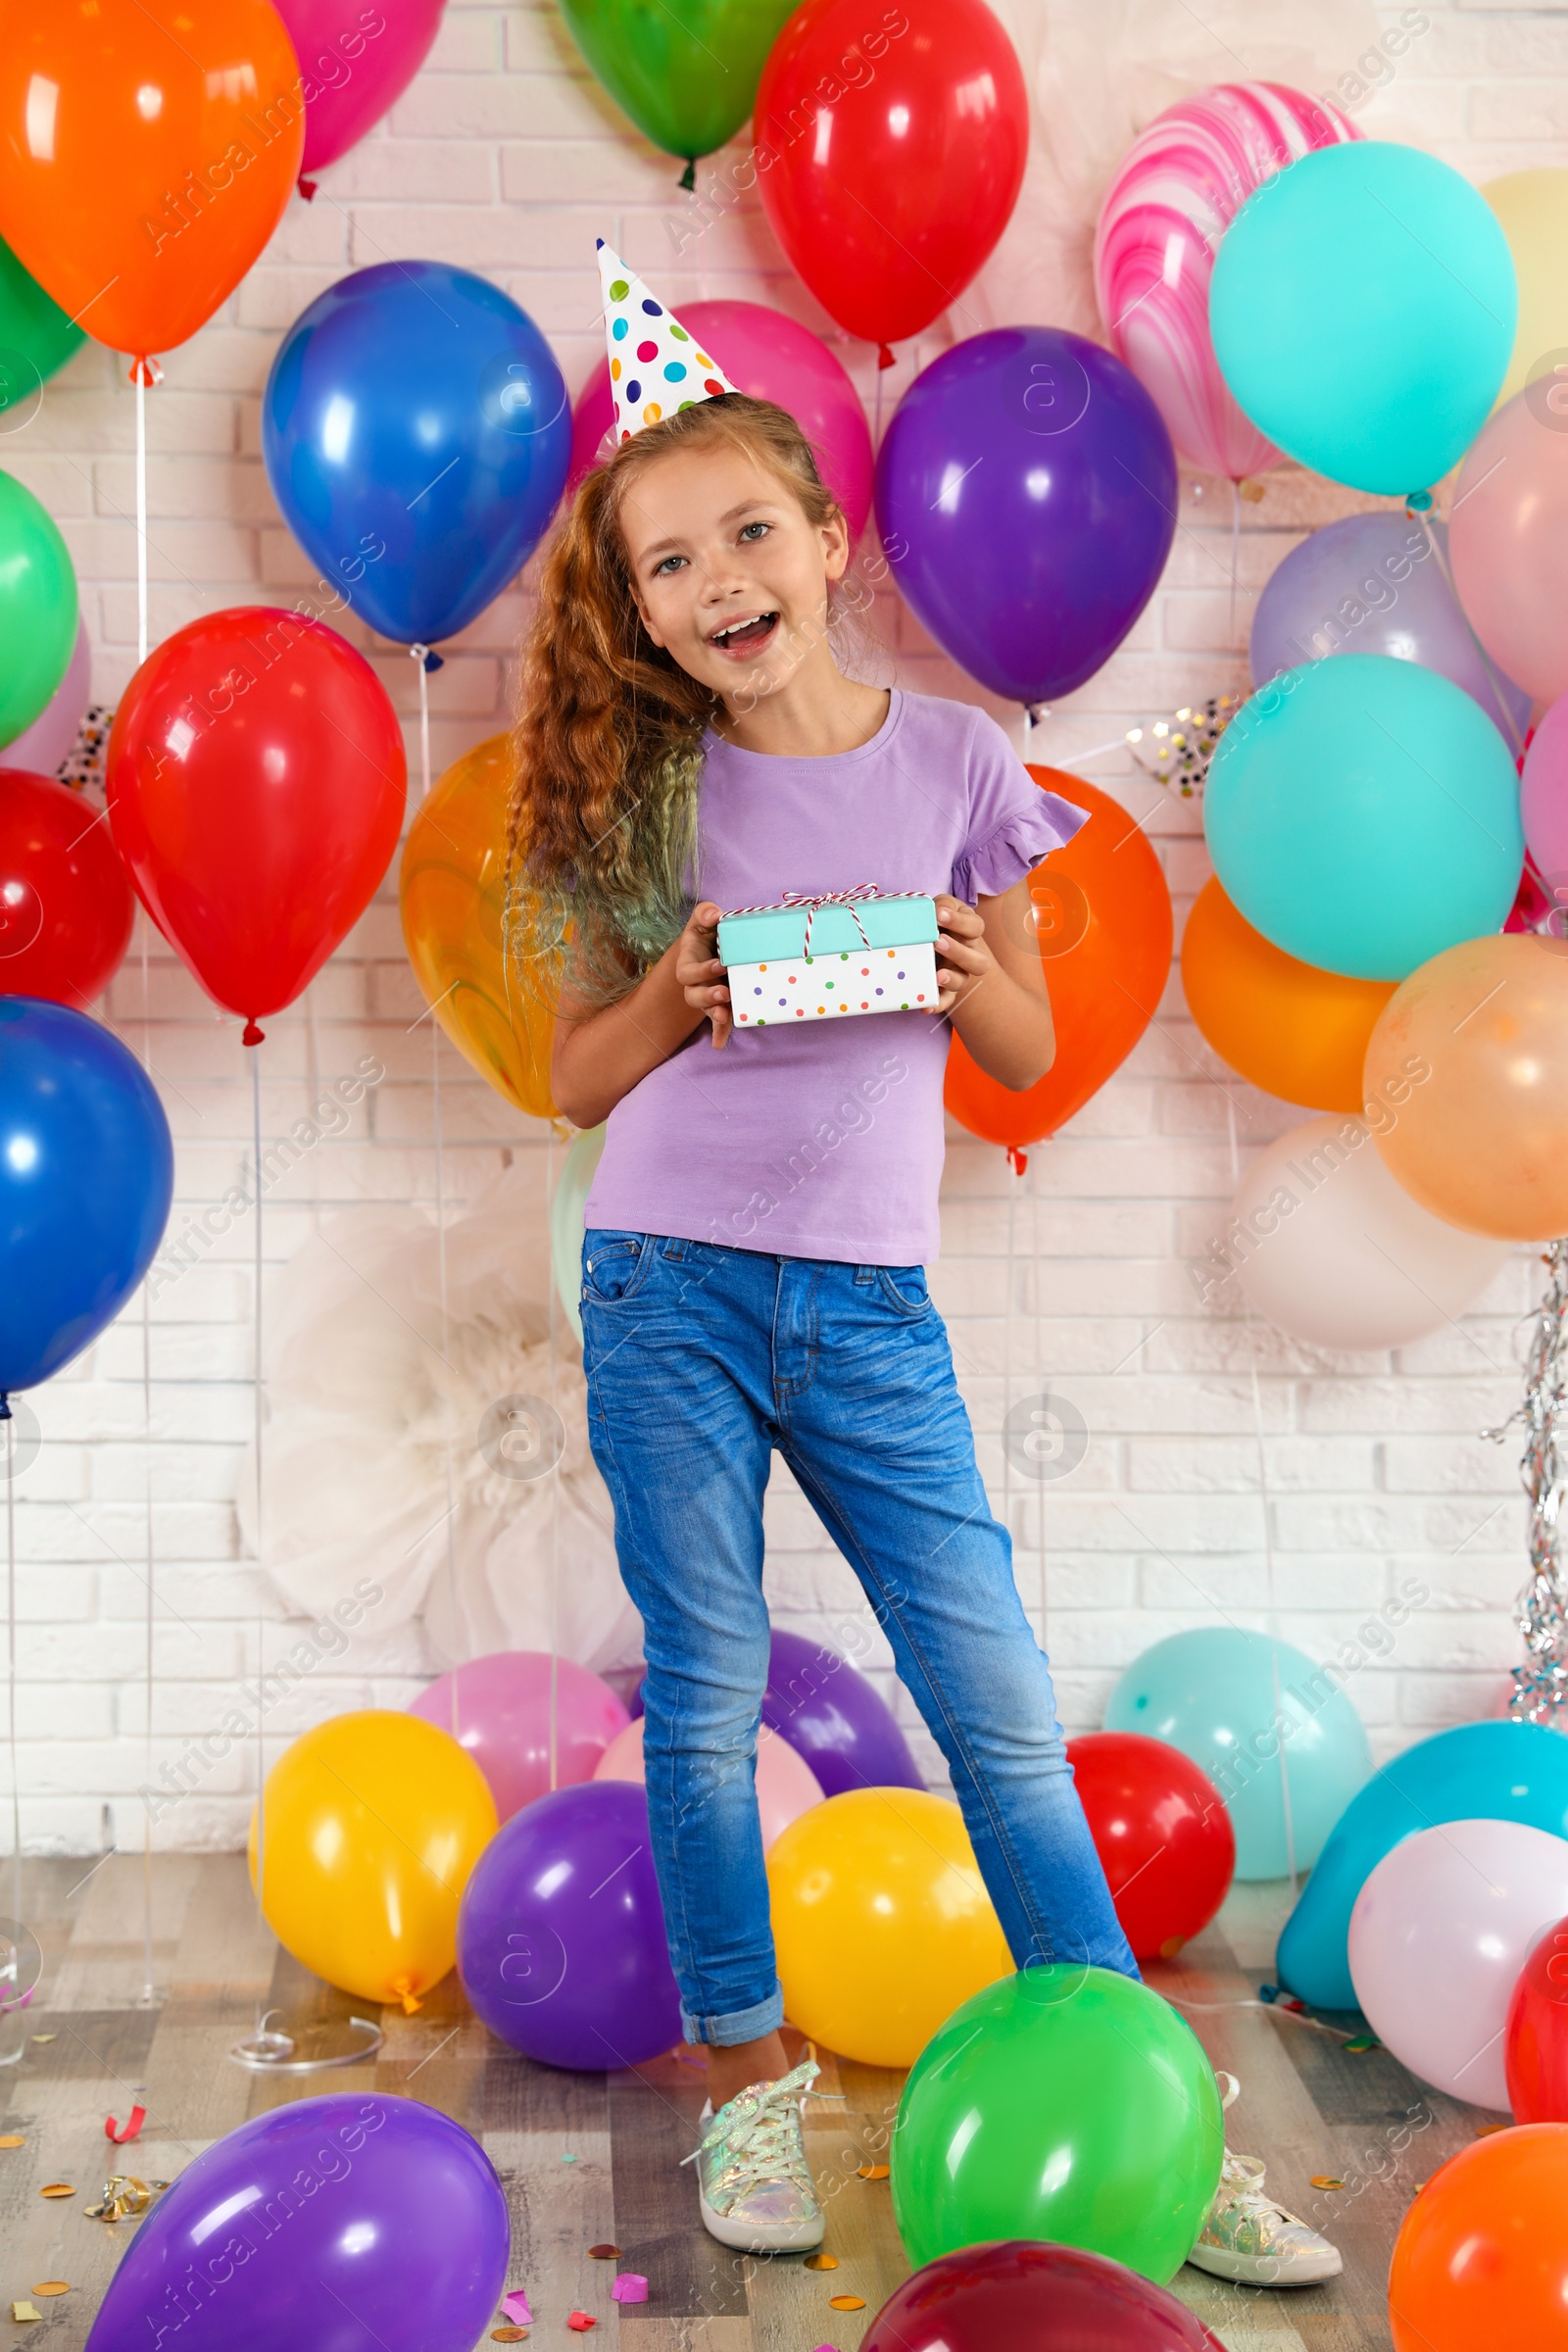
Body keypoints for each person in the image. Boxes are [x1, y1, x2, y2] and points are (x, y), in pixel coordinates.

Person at [505, 245, 1340, 2292]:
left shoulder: (963, 763)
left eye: (746, 533)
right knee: (700, 1703)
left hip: (867, 1304)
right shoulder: (653, 787)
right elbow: (565, 1076)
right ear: (635, 608)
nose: (716, 582)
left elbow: (1033, 1057)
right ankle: (747, 2090)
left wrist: (981, 981)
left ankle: (1156, 2107)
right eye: (666, 563)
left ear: (820, 531)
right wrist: (682, 998)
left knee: (989, 1706)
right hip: (663, 1281)